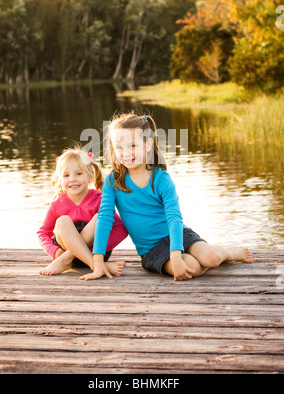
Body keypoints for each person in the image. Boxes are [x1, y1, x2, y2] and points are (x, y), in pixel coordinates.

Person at [82, 112, 253, 282]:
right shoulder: (113, 181)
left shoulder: (161, 179)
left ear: (148, 144)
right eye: (119, 147)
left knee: (211, 258)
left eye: (133, 145)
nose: (125, 153)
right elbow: (105, 217)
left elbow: (174, 218)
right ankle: (193, 257)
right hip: (151, 250)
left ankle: (229, 252)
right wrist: (98, 261)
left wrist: (176, 254)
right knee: (191, 267)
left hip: (178, 234)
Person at [38, 146, 128, 276]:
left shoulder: (99, 200)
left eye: (79, 173)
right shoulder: (57, 204)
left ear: (90, 176)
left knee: (100, 217)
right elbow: (43, 233)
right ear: (60, 179)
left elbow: (120, 228)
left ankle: (68, 261)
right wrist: (54, 251)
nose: (72, 179)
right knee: (63, 221)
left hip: (96, 253)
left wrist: (97, 249)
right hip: (65, 251)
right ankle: (96, 266)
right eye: (66, 175)